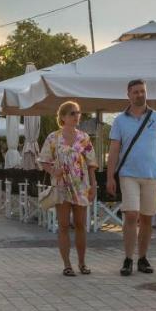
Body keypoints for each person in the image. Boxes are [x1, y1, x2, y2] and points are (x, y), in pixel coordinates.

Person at [105, 79, 156, 276]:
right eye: (135, 92)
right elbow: (114, 150)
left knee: (146, 218)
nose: (139, 95)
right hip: (128, 174)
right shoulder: (119, 121)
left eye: (142, 91)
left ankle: (142, 257)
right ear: (128, 95)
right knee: (131, 214)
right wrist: (110, 177)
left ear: (146, 93)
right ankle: (128, 258)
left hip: (152, 174)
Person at [41, 100, 98, 276]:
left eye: (78, 113)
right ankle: (67, 264)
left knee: (81, 225)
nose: (76, 116)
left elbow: (91, 164)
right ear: (63, 117)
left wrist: (94, 186)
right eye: (72, 113)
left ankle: (82, 263)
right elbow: (43, 160)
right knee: (64, 225)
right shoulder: (53, 138)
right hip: (61, 186)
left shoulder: (84, 138)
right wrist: (53, 170)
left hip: (81, 185)